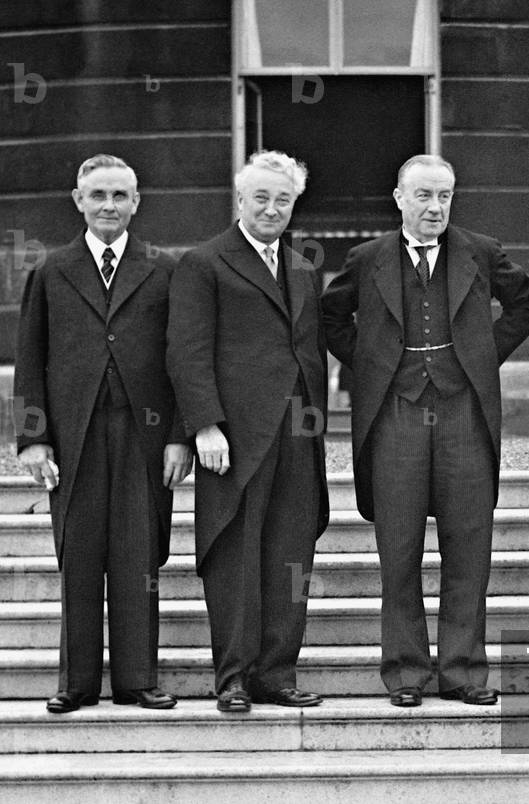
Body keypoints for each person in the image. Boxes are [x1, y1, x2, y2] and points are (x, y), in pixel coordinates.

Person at [321, 154, 529, 708]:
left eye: (444, 196)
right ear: (399, 199)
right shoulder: (366, 259)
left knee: (469, 549)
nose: (435, 207)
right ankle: (406, 673)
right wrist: (373, 363)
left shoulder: (480, 251)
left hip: (464, 414)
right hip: (397, 417)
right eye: (423, 196)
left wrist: (483, 355)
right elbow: (329, 317)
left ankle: (464, 672)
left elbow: (526, 302)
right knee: (399, 550)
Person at [14, 154, 191, 713]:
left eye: (120, 196)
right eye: (99, 196)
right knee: (80, 553)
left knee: (139, 557)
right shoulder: (50, 270)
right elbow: (30, 359)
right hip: (75, 437)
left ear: (136, 202)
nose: (109, 206)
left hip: (146, 433)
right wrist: (34, 437)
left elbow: (184, 358)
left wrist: (182, 435)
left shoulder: (165, 269)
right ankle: (78, 681)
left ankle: (138, 679)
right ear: (78, 201)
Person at [167, 150, 329, 712]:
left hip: (296, 437)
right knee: (235, 557)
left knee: (290, 559)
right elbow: (186, 350)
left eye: (283, 199)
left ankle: (276, 674)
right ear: (240, 200)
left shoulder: (305, 265)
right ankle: (233, 678)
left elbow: (307, 347)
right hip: (233, 440)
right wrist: (203, 426)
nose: (272, 208)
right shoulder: (204, 262)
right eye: (261, 197)